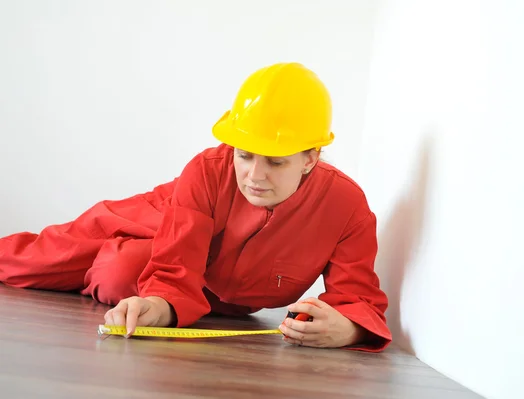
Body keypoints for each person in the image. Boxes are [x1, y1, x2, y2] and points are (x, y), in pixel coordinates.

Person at [0, 62, 392, 352]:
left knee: (119, 273)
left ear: (311, 158)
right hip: (173, 214)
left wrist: (350, 329)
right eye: (244, 155)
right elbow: (174, 269)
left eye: (276, 161)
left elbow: (356, 299)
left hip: (223, 301)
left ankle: (116, 264)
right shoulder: (207, 171)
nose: (255, 175)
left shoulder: (348, 208)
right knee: (50, 254)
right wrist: (159, 299)